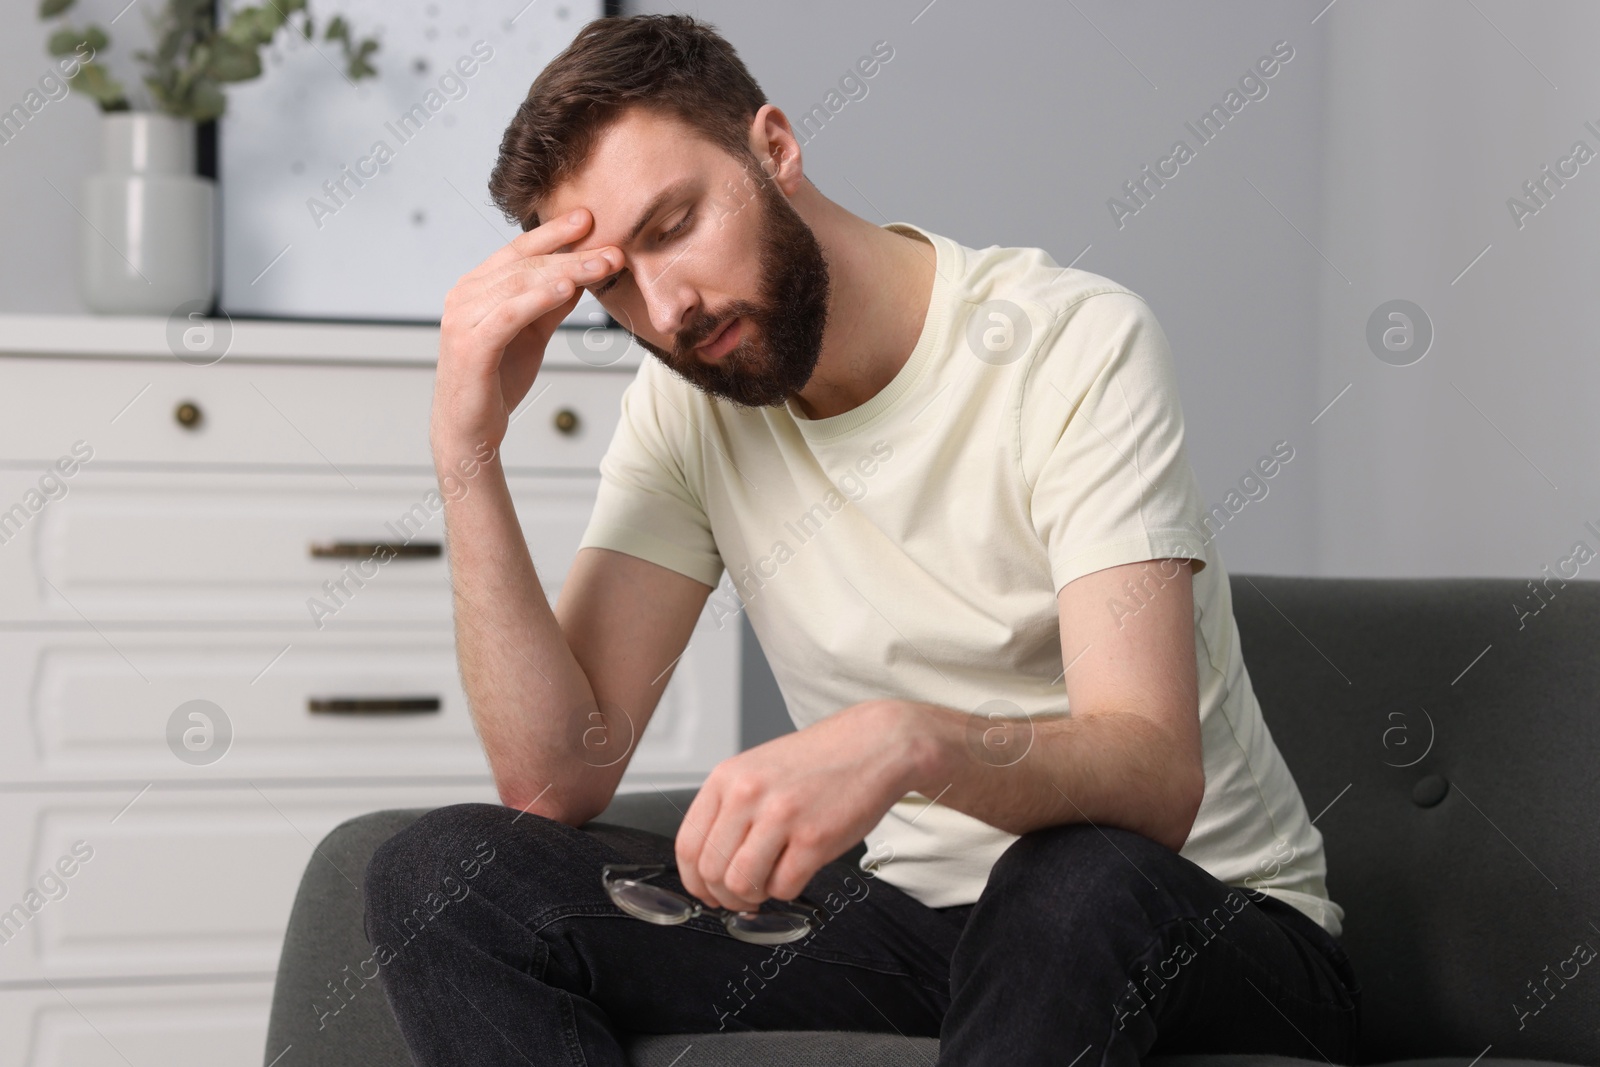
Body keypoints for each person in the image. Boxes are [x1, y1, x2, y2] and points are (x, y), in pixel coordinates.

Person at [364, 13, 1361, 1066]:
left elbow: (1155, 774)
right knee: (440, 875)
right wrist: (464, 447)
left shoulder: (1068, 343)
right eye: (614, 281)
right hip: (924, 928)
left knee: (1071, 876)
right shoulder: (685, 409)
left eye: (674, 225)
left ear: (775, 148)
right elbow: (557, 780)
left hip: (1207, 921)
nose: (667, 306)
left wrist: (906, 740)